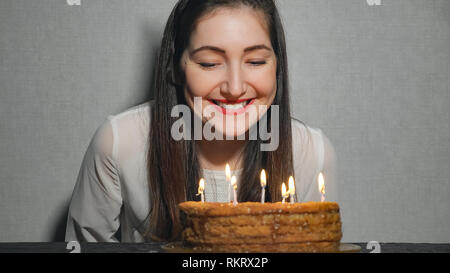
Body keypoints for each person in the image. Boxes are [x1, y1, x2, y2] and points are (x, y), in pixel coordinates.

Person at [65, 0, 338, 243]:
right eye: (209, 63)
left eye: (255, 61)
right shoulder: (119, 143)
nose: (234, 88)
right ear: (175, 66)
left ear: (277, 66)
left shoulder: (311, 152)